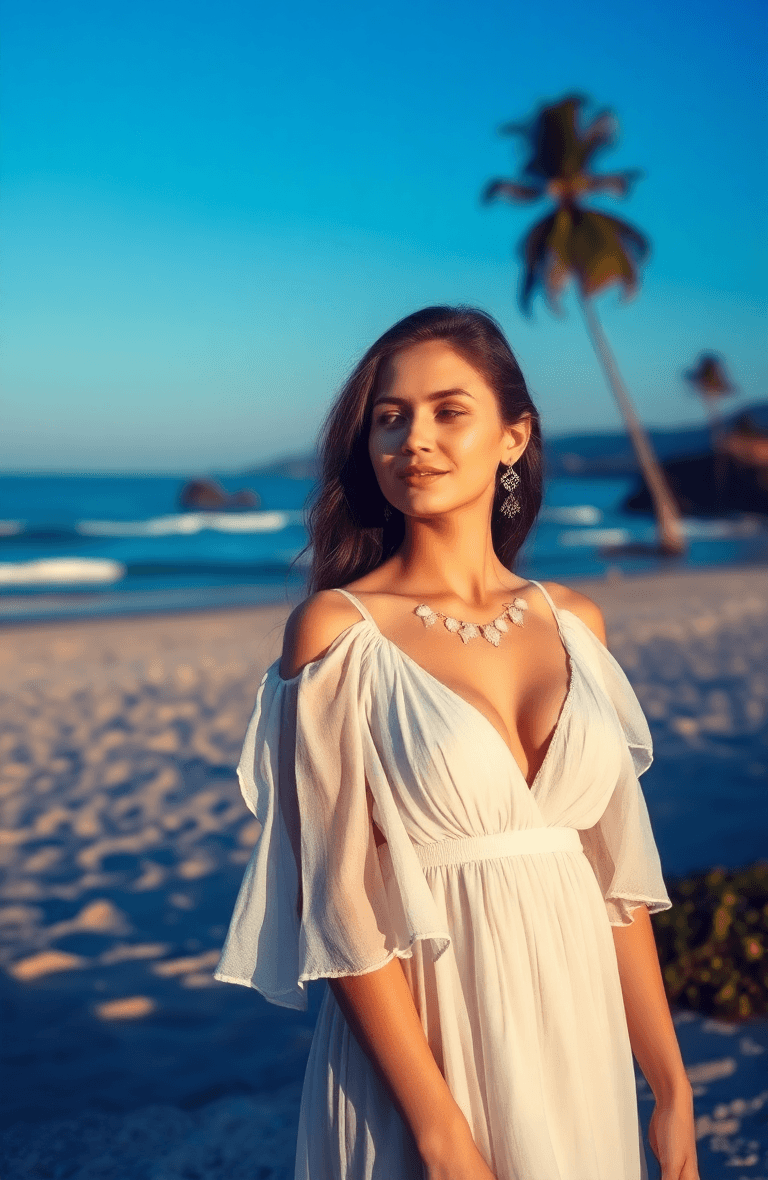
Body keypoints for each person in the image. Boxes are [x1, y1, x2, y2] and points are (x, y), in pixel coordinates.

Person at [214, 305, 699, 1180]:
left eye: (449, 410)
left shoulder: (576, 623)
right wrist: (442, 1138)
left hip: (575, 1030)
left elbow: (613, 879)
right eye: (390, 417)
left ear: (515, 437)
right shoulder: (337, 631)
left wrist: (670, 1084)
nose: (413, 439)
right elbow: (336, 903)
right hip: (428, 1047)